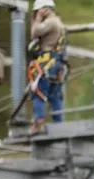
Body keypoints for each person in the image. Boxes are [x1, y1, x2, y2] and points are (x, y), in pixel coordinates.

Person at [27, 0, 67, 135]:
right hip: (57, 63)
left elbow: (34, 32)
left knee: (38, 92)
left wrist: (37, 19)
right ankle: (59, 125)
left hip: (47, 62)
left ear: (43, 9)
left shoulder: (50, 22)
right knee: (54, 95)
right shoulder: (58, 22)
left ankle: (39, 124)